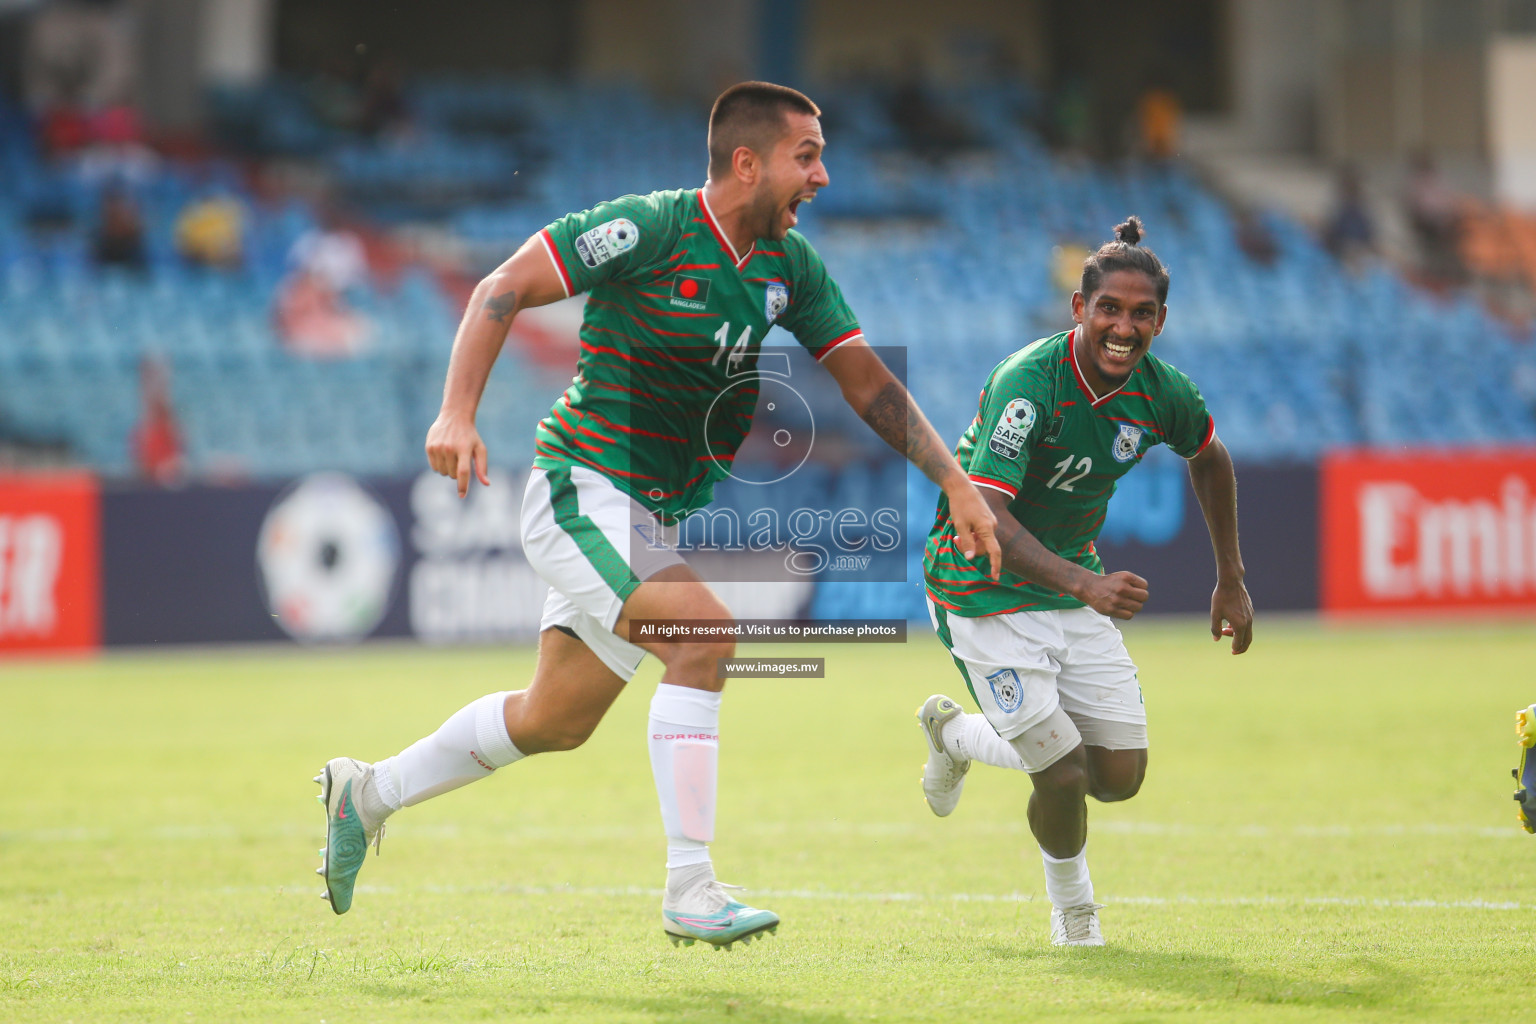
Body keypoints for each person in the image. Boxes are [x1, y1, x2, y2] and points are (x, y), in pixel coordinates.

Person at [314, 81, 1001, 948]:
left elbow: (868, 383)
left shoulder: (790, 267)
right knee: (706, 637)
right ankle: (692, 887)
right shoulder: (650, 228)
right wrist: (456, 412)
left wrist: (956, 481)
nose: (823, 176)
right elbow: (501, 287)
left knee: (553, 719)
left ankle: (365, 793)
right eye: (808, 155)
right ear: (747, 162)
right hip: (583, 485)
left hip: (649, 516)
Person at [916, 217, 1252, 947]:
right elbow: (990, 517)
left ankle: (956, 736)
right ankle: (1075, 912)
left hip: (1071, 585)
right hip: (981, 588)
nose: (1123, 327)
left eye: (1140, 314)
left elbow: (1210, 455)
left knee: (1119, 775)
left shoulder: (1164, 393)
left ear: (1161, 321)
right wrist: (1086, 584)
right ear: (1079, 309)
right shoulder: (1027, 384)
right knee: (1063, 774)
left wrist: (1231, 576)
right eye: (1109, 309)